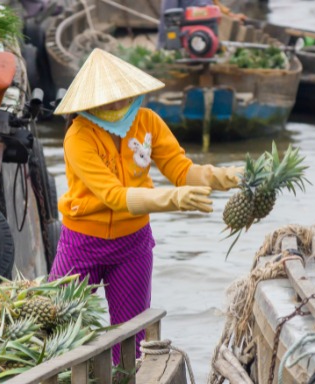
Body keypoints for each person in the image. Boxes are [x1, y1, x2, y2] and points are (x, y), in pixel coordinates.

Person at [50, 48, 243, 365]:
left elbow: (180, 170)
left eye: (121, 97)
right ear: (89, 102)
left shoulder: (147, 122)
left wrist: (219, 176)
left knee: (132, 339)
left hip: (133, 243)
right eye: (107, 100)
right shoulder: (79, 136)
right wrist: (175, 199)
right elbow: (113, 195)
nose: (116, 105)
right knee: (56, 327)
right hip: (83, 243)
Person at [158, 0, 247, 49]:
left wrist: (231, 16)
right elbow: (166, 15)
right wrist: (162, 45)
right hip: (187, 39)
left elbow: (215, 5)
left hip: (208, 36)